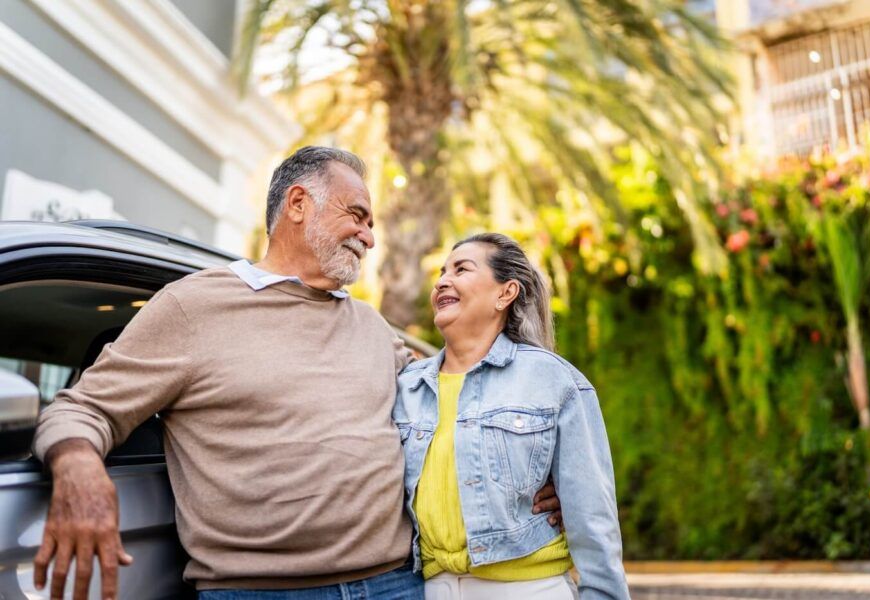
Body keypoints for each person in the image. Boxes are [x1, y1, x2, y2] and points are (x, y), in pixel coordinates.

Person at [31, 147, 560, 600]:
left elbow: (455, 413)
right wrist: (79, 470)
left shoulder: (372, 326)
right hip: (260, 591)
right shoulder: (194, 307)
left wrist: (535, 472)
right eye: (357, 215)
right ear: (299, 204)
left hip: (396, 583)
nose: (369, 238)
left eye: (370, 224)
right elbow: (83, 408)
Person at [393, 233, 630, 600]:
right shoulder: (406, 386)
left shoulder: (553, 380)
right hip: (429, 590)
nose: (442, 280)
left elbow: (593, 520)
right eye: (442, 272)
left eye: (461, 269)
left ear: (506, 294)